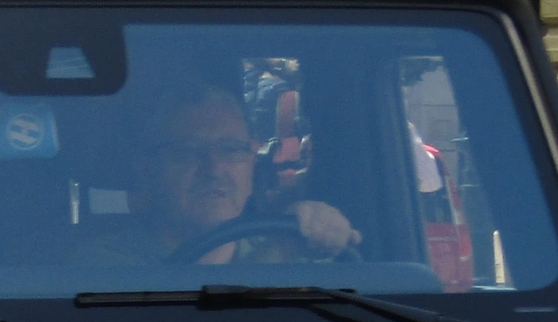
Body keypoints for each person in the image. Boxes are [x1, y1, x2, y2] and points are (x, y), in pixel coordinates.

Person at [85, 80, 355, 265]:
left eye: (230, 149)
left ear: (252, 160)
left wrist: (323, 231)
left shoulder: (295, 251)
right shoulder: (104, 265)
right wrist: (278, 251)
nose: (213, 168)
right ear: (145, 170)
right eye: (188, 151)